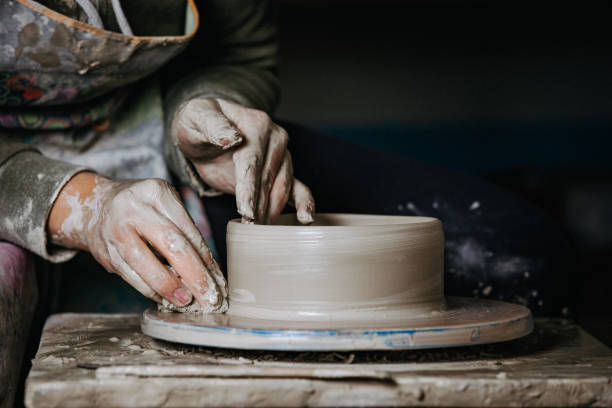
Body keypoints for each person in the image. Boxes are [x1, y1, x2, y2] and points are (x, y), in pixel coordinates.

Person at [0, 1, 572, 406]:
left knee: (517, 250)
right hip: (15, 180)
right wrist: (76, 203)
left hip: (160, 139)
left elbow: (242, 51)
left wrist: (209, 117)